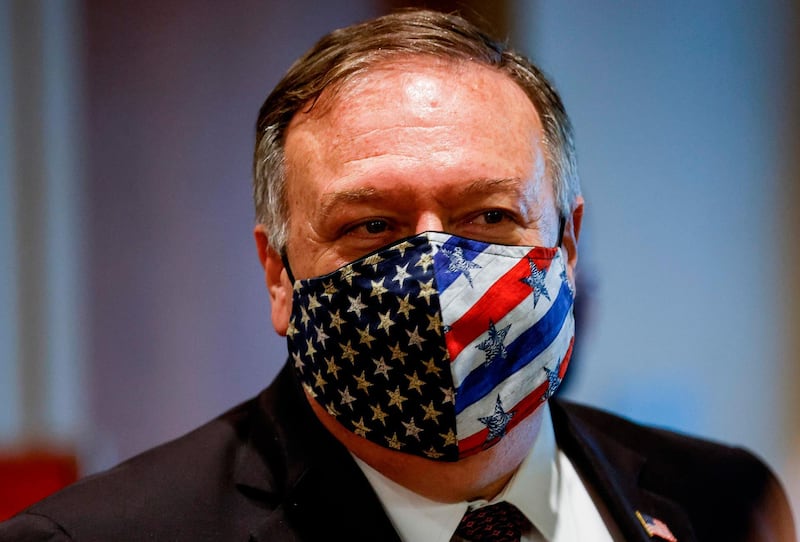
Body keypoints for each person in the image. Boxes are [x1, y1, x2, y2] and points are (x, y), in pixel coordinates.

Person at [0, 9, 794, 542]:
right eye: (370, 226)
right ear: (278, 273)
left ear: (569, 245)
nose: (434, 274)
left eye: (489, 217)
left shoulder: (723, 500)